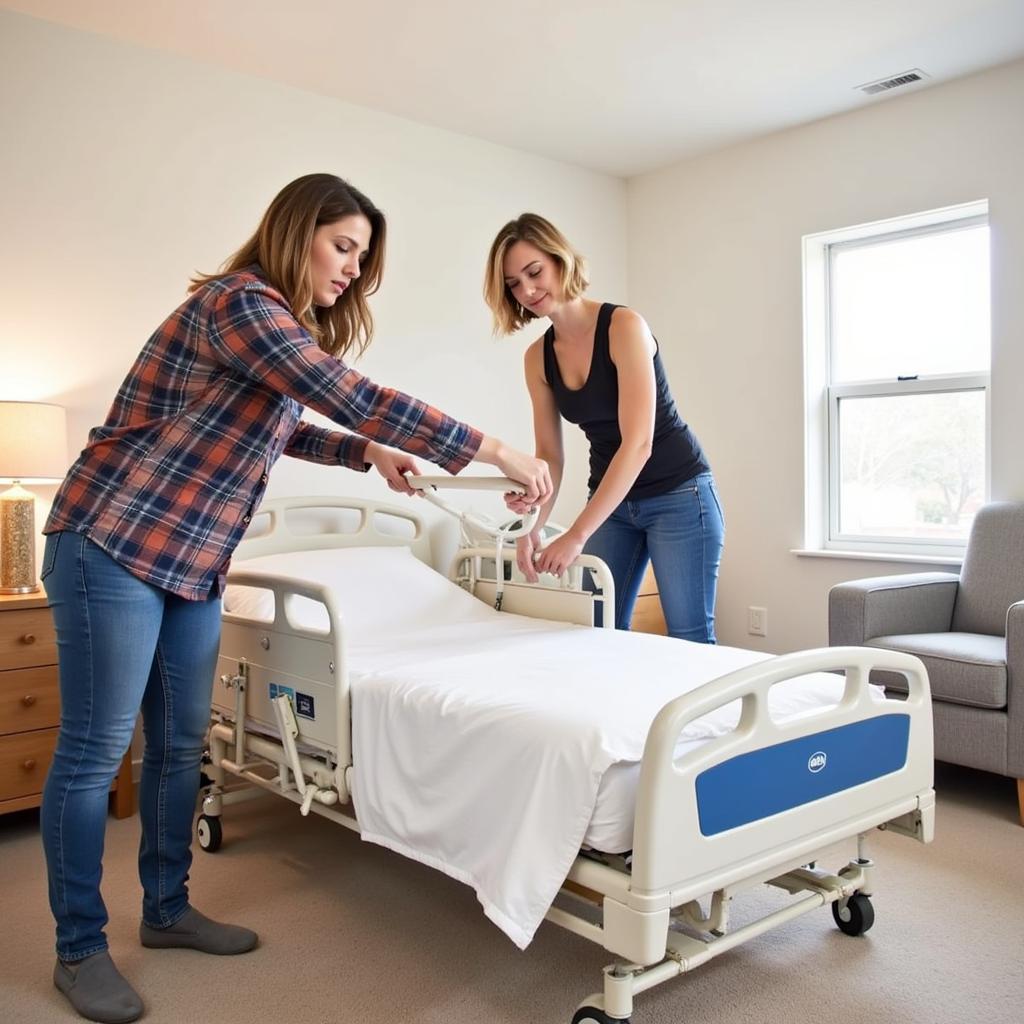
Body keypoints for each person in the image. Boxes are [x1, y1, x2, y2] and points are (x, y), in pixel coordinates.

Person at [40, 173, 551, 1024]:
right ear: (295, 231)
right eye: (343, 246)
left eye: (363, 256)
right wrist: (495, 448)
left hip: (194, 560)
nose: (354, 268)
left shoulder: (275, 334)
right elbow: (348, 393)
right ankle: (78, 947)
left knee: (179, 745)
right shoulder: (241, 303)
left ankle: (165, 912)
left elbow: (297, 421)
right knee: (97, 753)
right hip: (113, 539)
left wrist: (366, 457)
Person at [484, 213, 723, 643]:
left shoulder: (624, 326)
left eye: (534, 272)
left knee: (690, 637)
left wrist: (576, 534)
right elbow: (550, 456)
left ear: (560, 261)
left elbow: (639, 444)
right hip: (614, 502)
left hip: (679, 494)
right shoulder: (537, 359)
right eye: (514, 284)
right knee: (597, 633)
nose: (528, 291)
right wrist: (533, 526)